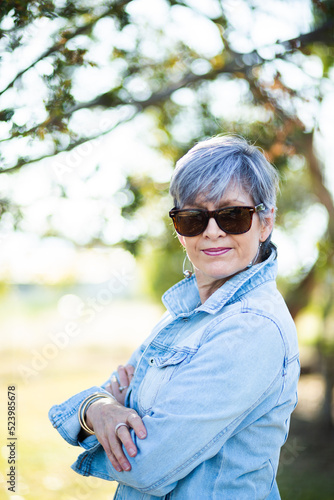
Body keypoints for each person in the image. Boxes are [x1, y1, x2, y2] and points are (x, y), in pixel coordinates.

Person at [49, 135, 300, 499]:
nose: (212, 231)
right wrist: (99, 407)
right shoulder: (185, 314)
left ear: (265, 222)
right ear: (179, 230)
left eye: (232, 215)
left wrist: (99, 411)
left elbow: (145, 463)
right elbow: (112, 394)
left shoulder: (251, 326)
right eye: (193, 218)